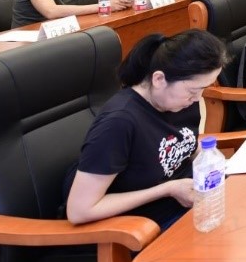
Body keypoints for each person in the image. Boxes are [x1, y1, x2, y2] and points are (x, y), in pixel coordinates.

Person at [64, 29, 227, 231]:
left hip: (192, 204)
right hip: (141, 226)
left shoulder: (179, 100)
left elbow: (184, 144)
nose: (197, 99)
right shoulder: (119, 122)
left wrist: (208, 160)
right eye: (193, 90)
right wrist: (167, 189)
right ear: (159, 79)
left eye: (203, 89)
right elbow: (79, 211)